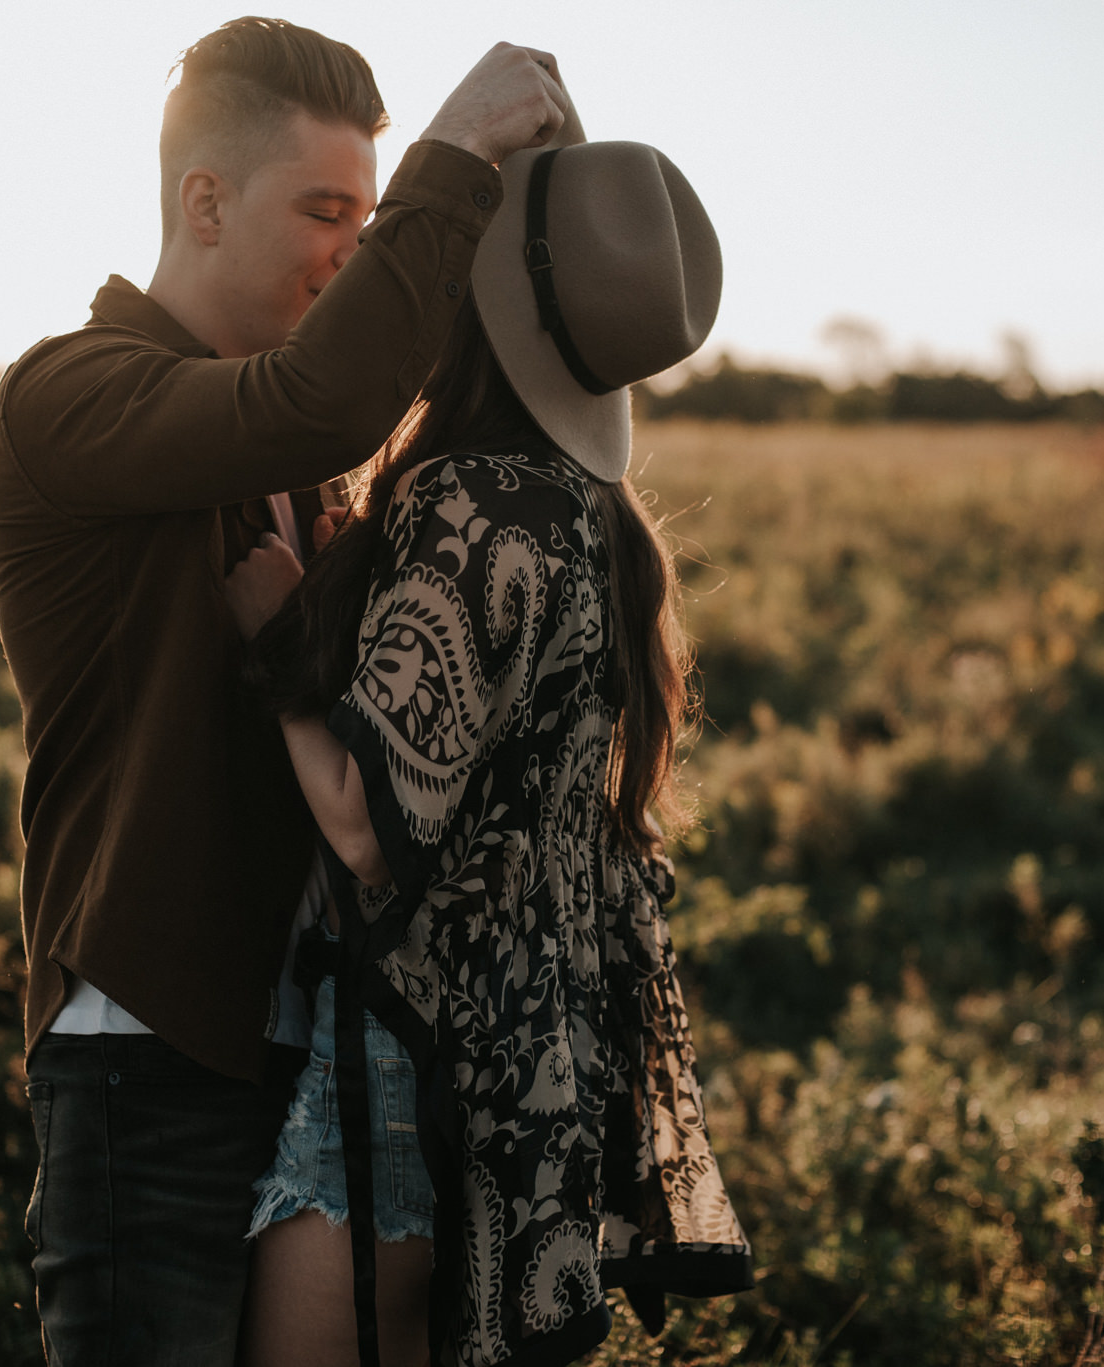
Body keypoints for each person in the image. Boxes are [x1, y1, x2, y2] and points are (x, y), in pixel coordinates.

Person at [0, 17, 575, 1363]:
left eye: (371, 213)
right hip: (150, 1046)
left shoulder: (298, 450)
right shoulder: (71, 394)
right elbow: (326, 397)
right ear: (204, 200)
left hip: (319, 1054)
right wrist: (453, 154)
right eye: (325, 207)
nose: (351, 247)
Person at [223, 132, 755, 1367]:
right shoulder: (588, 512)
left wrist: (277, 637)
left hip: (407, 1063)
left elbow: (365, 822)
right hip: (533, 1075)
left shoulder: (471, 501)